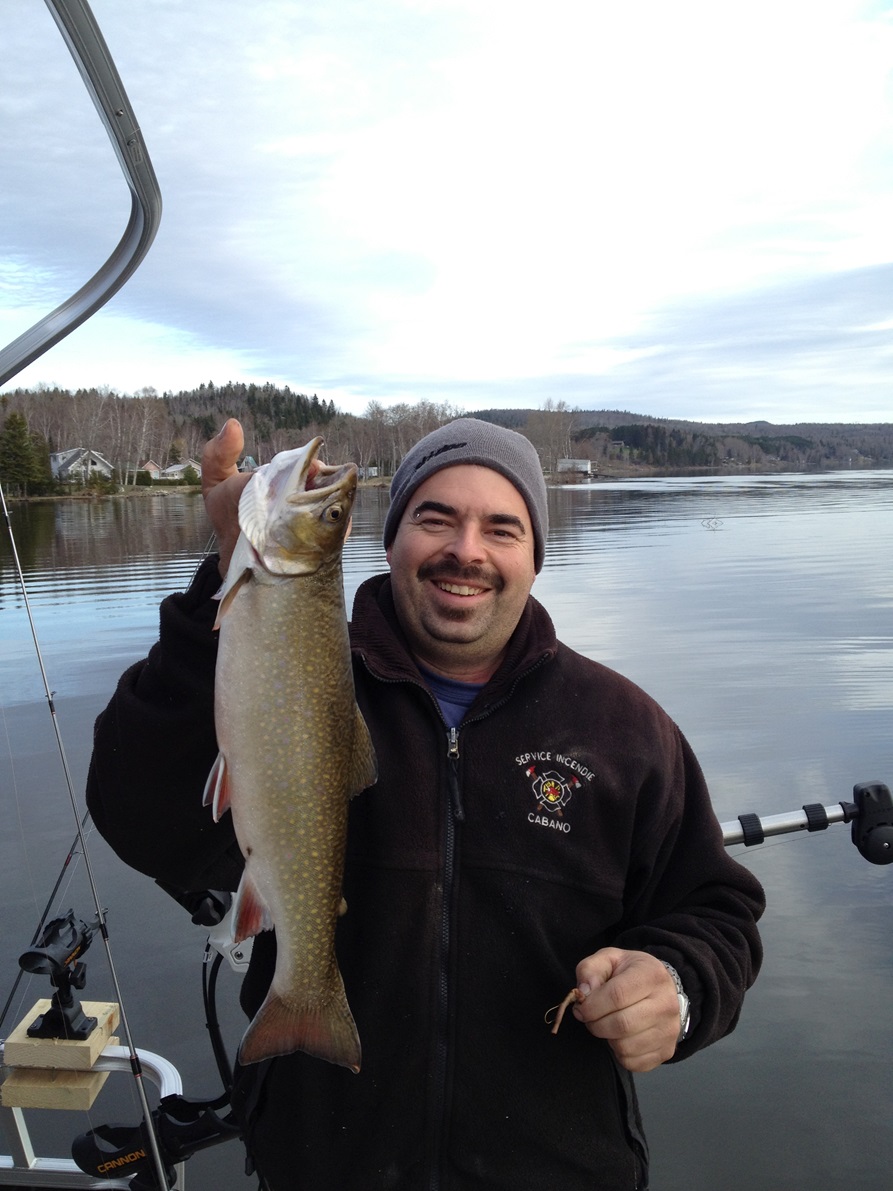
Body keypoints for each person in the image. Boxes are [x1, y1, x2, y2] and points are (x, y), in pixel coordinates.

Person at [87, 416, 764, 1191]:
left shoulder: (623, 728)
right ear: (393, 538)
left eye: (500, 528)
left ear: (534, 556)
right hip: (322, 1165)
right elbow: (140, 823)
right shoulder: (293, 675)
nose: (466, 550)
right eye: (435, 518)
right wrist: (224, 572)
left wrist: (677, 986)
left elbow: (717, 910)